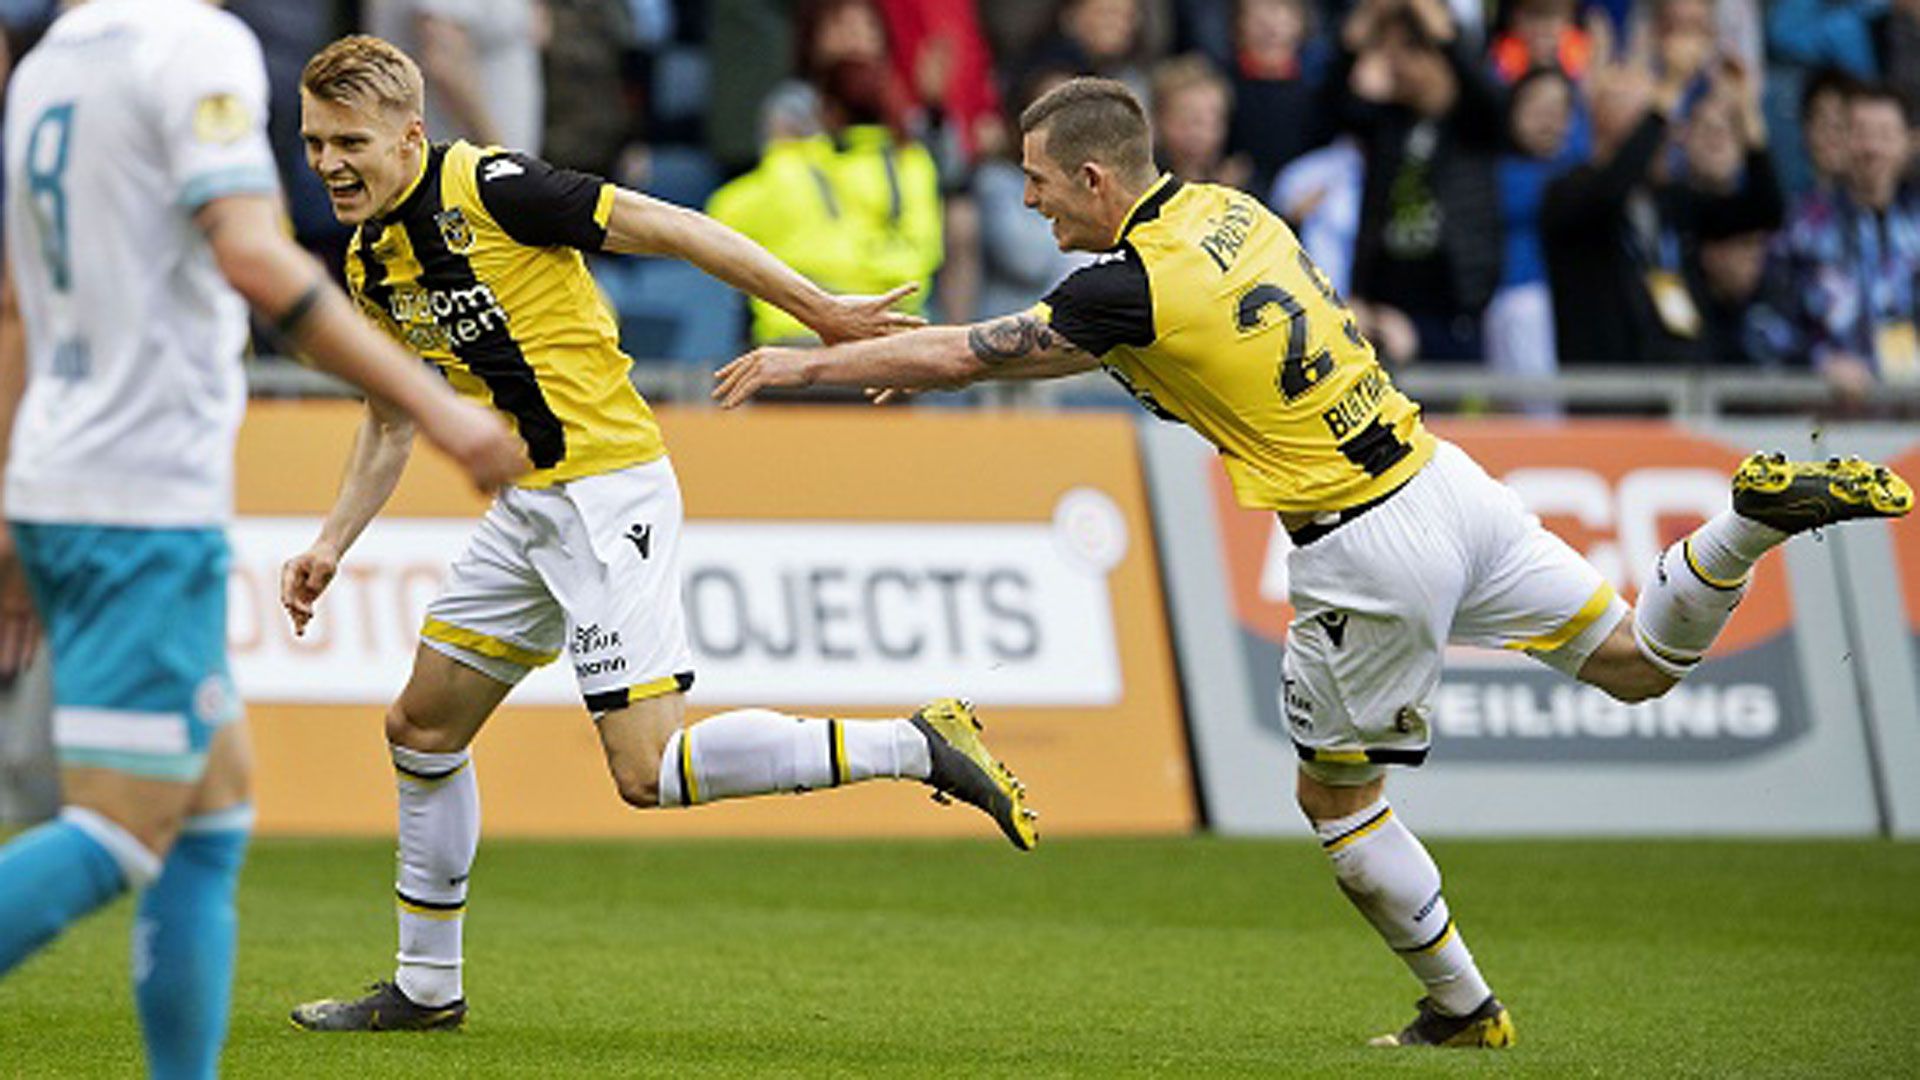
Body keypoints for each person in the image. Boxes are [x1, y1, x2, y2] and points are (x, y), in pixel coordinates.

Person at [712, 75, 1915, 1049]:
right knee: (1641, 663)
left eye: (1036, 181)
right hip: (1443, 479)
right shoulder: (1230, 212)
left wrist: (805, 362)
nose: (1026, 201)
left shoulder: (1128, 284)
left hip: (1365, 549)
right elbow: (1058, 347)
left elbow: (981, 352)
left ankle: (1463, 1007)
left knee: (1336, 806)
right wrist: (931, 359)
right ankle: (1748, 520)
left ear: (1093, 179)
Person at [283, 35, 1035, 1033]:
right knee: (421, 730)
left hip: (605, 496)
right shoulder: (371, 260)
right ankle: (426, 987)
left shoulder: (495, 189)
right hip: (528, 511)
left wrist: (817, 311)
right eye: (314, 142)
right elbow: (390, 419)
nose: (328, 163)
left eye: (350, 142)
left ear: (412, 136)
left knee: (647, 773)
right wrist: (332, 543)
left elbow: (674, 226)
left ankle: (917, 744)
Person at [0, 3, 527, 1077]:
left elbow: (15, 304)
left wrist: (12, 497)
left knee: (212, 812)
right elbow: (252, 255)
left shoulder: (49, 64)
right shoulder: (193, 47)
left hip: (65, 475)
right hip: (141, 496)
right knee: (125, 828)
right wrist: (439, 409)